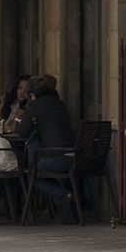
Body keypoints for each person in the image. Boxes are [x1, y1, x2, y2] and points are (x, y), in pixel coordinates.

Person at [21, 75, 77, 214]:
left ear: (32, 95)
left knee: (31, 174)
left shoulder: (33, 107)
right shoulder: (60, 104)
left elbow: (23, 132)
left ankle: (63, 194)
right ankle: (63, 201)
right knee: (41, 169)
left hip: (56, 158)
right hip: (76, 157)